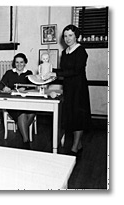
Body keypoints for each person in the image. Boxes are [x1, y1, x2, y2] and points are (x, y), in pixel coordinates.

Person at [43, 24, 91, 157]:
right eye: (65, 36)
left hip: (79, 88)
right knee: (71, 116)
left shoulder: (81, 51)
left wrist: (56, 74)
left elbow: (76, 71)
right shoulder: (65, 52)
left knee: (78, 117)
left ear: (76, 36)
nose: (67, 38)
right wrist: (50, 71)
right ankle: (78, 143)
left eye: (70, 35)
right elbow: (64, 70)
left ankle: (75, 147)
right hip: (69, 87)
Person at [0, 53, 36, 145]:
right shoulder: (9, 73)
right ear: (14, 63)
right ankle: (26, 141)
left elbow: (33, 86)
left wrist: (25, 88)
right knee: (22, 114)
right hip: (12, 102)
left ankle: (22, 128)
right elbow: (0, 85)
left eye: (21, 62)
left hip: (26, 101)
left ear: (25, 63)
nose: (19, 64)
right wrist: (4, 88)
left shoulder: (28, 73)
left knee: (32, 113)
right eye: (17, 62)